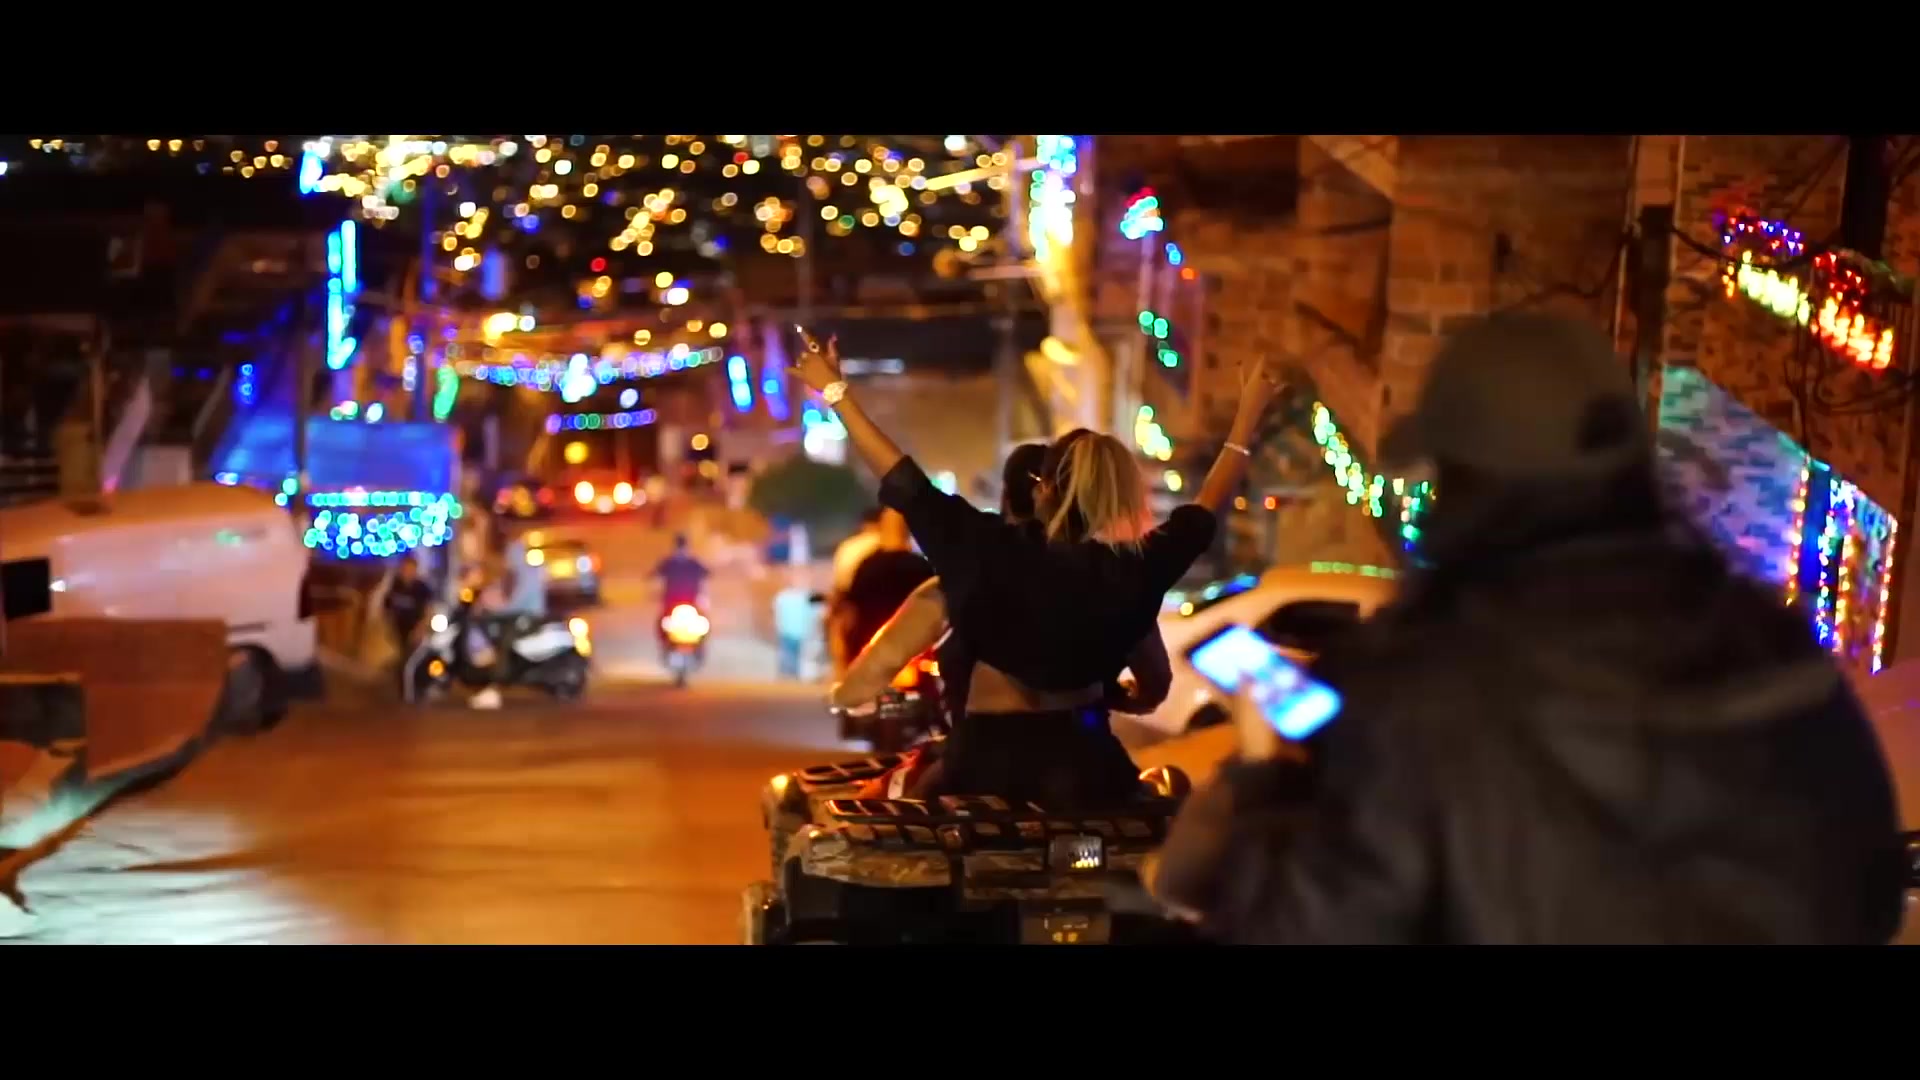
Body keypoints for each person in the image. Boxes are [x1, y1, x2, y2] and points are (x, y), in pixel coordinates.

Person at [1151, 312, 1909, 945]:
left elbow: (1307, 924)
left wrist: (1262, 783)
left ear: (1462, 479)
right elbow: (1869, 894)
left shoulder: (1417, 687)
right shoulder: (1773, 649)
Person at [792, 328, 1278, 806]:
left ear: (1042, 489)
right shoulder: (1135, 568)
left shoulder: (982, 547)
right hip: (1089, 771)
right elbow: (1206, 509)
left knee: (879, 819)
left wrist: (835, 391)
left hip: (980, 769)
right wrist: (1246, 419)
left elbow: (902, 477)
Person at [652, 533, 711, 656]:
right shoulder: (690, 562)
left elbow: (706, 575)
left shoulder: (672, 562)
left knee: (703, 621)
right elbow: (706, 574)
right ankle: (666, 645)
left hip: (684, 603)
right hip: (678, 603)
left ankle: (698, 646)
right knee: (663, 622)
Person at [382, 556, 437, 655]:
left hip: (415, 630)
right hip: (397, 631)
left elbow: (428, 610)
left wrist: (420, 629)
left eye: (410, 569)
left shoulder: (422, 588)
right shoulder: (395, 585)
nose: (407, 572)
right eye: (405, 569)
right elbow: (387, 608)